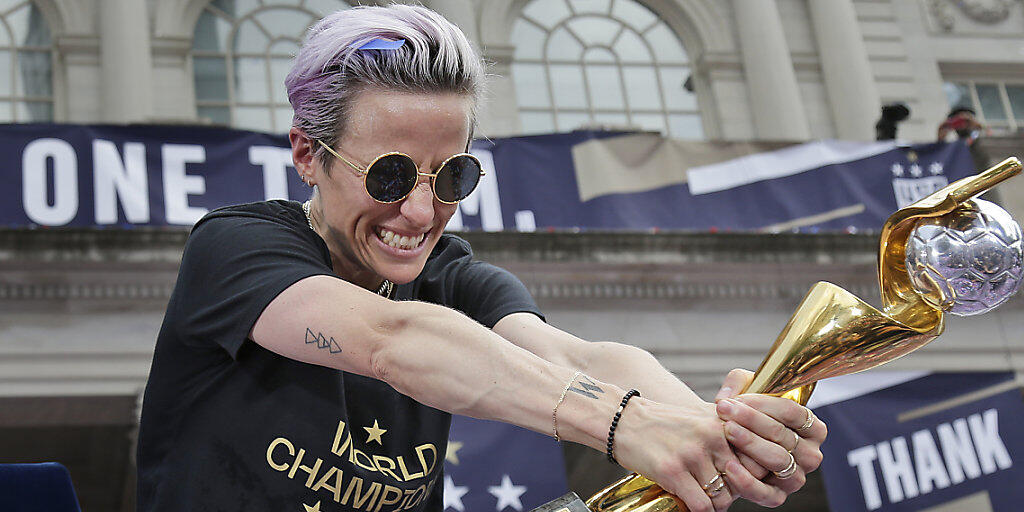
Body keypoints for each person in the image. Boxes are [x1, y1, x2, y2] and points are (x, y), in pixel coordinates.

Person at [135, 5, 826, 512]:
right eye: (389, 176)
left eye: (453, 177)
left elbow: (577, 359)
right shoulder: (235, 249)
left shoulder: (451, 277)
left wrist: (720, 429)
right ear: (307, 154)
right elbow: (390, 341)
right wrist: (625, 423)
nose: (419, 211)